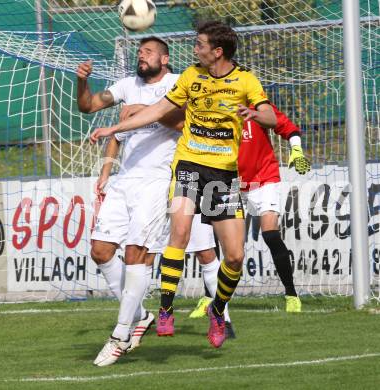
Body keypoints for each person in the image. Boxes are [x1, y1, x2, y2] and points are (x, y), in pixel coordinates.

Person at [90, 21, 277, 349]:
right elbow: (160, 110)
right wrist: (113, 129)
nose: (194, 49)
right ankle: (165, 309)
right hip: (188, 166)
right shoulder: (191, 76)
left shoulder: (245, 80)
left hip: (222, 175)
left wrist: (252, 113)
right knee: (179, 233)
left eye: (200, 45)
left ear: (216, 52)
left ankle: (218, 309)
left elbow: (271, 118)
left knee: (233, 256)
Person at [77, 36, 184, 366]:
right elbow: (89, 106)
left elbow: (182, 121)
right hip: (124, 180)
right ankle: (141, 316)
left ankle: (120, 335)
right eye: (139, 52)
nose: (142, 56)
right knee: (100, 249)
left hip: (155, 180)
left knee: (137, 254)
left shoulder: (177, 83)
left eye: (148, 52)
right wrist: (81, 81)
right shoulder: (126, 84)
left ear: (164, 59)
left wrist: (144, 111)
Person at [188, 104, 311, 318]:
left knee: (270, 234)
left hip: (263, 178)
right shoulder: (213, 107)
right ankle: (209, 297)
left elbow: (287, 127)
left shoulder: (258, 108)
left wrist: (297, 149)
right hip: (228, 182)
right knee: (212, 240)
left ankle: (291, 294)